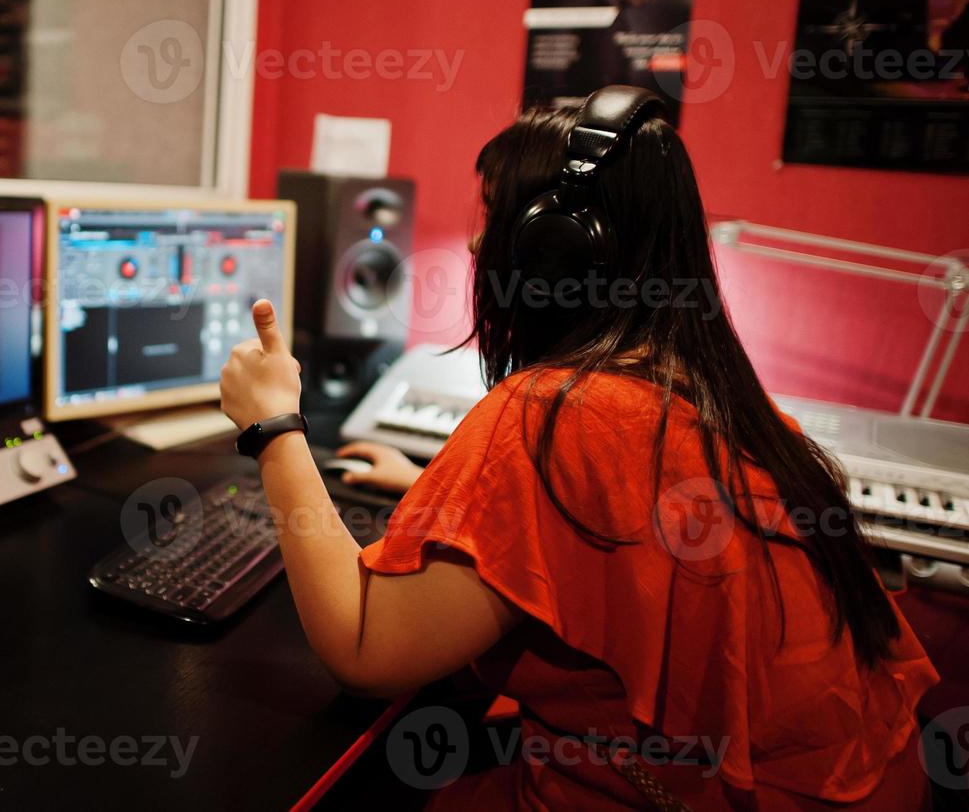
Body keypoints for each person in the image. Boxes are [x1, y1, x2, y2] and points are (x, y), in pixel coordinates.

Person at [219, 91, 939, 809]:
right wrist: (437, 496)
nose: (476, 246)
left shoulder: (551, 417)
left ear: (554, 249)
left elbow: (364, 649)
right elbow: (614, 537)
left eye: (495, 215)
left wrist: (273, 428)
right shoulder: (707, 387)